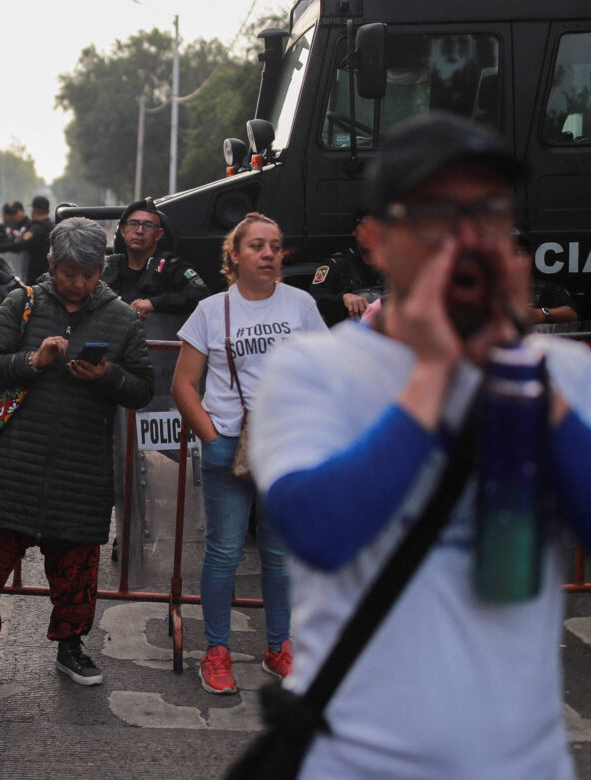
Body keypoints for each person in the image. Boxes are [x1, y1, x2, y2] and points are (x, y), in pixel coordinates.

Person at [251, 112, 591, 777]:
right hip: (355, 763)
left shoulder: (566, 374)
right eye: (437, 216)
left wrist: (517, 361)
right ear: (377, 241)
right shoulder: (314, 369)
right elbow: (319, 530)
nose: (466, 241)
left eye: (489, 215)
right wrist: (434, 369)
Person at [0, 217, 154, 685]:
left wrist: (107, 377)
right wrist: (31, 361)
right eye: (69, 272)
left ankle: (71, 646)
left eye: (89, 274)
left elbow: (142, 388)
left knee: (76, 567)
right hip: (18, 460)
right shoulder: (23, 303)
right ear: (52, 265)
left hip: (83, 467)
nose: (78, 284)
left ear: (102, 271)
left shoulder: (120, 317)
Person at [170, 212, 327, 695]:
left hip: (285, 449)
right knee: (223, 552)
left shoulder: (301, 304)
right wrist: (213, 439)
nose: (268, 254)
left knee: (280, 558)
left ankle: (279, 648)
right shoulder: (211, 310)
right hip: (228, 450)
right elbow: (183, 384)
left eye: (276, 246)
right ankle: (216, 652)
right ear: (234, 256)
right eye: (257, 246)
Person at [101, 198, 209, 320]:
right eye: (133, 224)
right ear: (123, 231)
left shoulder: (172, 268)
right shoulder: (106, 266)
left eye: (148, 226)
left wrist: (154, 304)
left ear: (158, 234)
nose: (139, 231)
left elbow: (202, 295)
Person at [309, 211, 384, 326]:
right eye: (365, 227)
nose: (370, 234)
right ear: (354, 231)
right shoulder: (335, 264)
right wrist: (343, 298)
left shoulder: (394, 266)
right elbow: (315, 298)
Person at [0, 195, 53, 284]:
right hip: (43, 274)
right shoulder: (46, 225)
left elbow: (20, 244)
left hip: (39, 276)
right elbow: (16, 240)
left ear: (33, 210)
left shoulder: (38, 228)